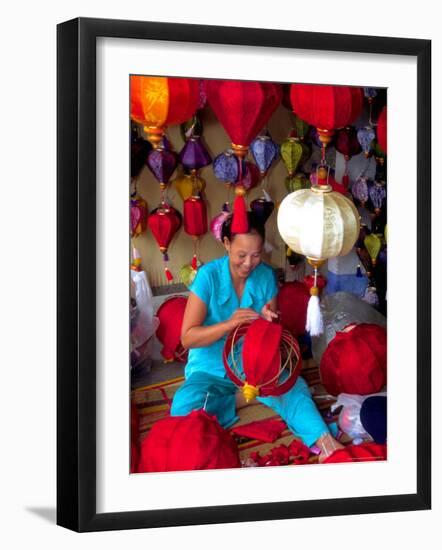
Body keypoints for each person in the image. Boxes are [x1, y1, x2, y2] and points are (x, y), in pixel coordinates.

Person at [171, 212, 343, 462]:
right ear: (227, 244)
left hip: (252, 364)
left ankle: (325, 441)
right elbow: (188, 337)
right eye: (241, 255)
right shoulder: (208, 276)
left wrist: (267, 320)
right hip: (210, 367)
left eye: (256, 255)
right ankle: (239, 399)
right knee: (184, 408)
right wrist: (229, 324)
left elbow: (271, 330)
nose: (249, 263)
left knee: (293, 387)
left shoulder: (265, 276)